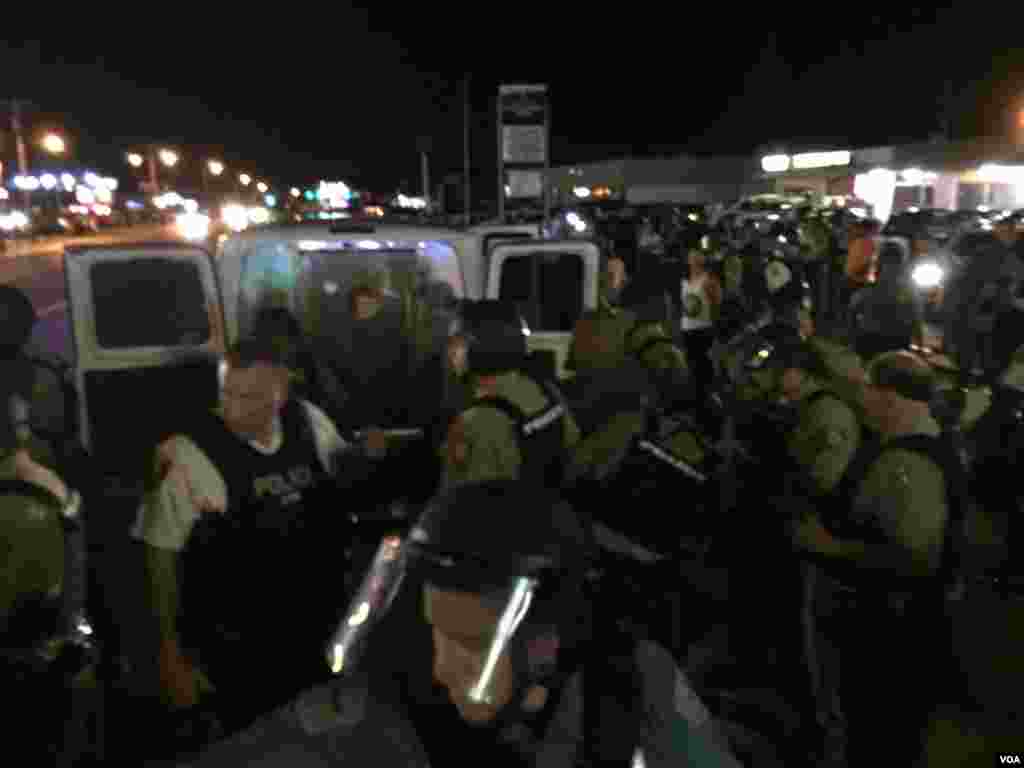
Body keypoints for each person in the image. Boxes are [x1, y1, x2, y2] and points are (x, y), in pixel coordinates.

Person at [331, 479, 743, 767]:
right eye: (436, 632)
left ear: (547, 646)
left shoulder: (624, 701)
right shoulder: (412, 702)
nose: (441, 668)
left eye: (472, 645)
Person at [133, 337, 385, 736]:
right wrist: (170, 655)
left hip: (316, 625)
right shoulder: (189, 455)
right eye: (227, 394)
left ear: (281, 392)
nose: (234, 409)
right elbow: (159, 556)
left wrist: (366, 455)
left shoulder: (308, 421)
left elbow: (344, 476)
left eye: (250, 397)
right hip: (238, 642)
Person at [789, 350, 960, 767]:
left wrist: (825, 545)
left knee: (874, 740)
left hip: (883, 642)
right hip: (881, 635)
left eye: (869, 387)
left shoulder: (909, 462)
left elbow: (915, 558)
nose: (861, 397)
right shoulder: (910, 449)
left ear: (890, 395)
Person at [441, 305, 580, 492]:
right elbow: (572, 446)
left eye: (456, 343)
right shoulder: (547, 389)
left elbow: (467, 505)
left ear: (480, 346)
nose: (449, 352)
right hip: (551, 512)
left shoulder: (476, 422)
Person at [848, 241, 923, 361]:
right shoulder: (907, 288)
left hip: (876, 339)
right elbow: (916, 318)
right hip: (889, 340)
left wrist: (853, 336)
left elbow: (853, 310)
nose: (891, 266)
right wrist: (920, 346)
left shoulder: (872, 286)